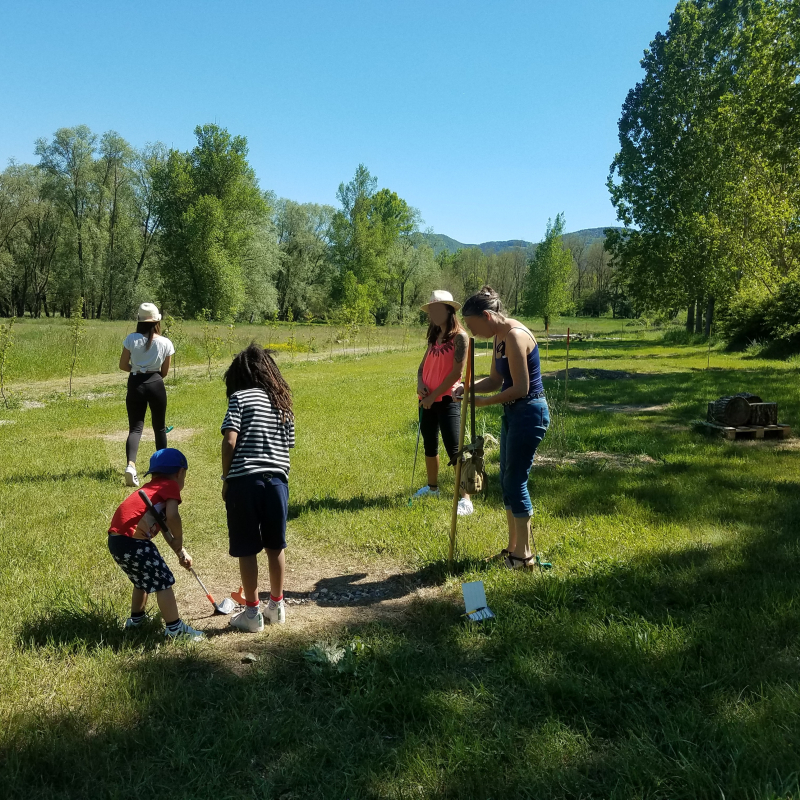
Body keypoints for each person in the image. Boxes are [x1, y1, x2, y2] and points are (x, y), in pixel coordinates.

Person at [457, 286, 550, 569]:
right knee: (507, 481)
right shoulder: (499, 337)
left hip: (529, 412)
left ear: (487, 315)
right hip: (514, 412)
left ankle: (523, 556)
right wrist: (466, 389)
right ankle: (512, 548)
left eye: (473, 326)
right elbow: (496, 380)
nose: (473, 333)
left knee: (515, 481)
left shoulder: (515, 335)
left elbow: (521, 388)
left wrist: (484, 403)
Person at [221, 344, 295, 633]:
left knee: (247, 546)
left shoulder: (239, 398)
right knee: (276, 544)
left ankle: (252, 613)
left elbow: (230, 441)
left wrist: (227, 479)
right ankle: (277, 606)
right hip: (277, 482)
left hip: (244, 482)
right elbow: (288, 445)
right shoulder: (282, 401)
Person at [108, 447, 204, 641]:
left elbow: (165, 527)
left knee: (141, 581)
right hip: (133, 541)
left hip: (117, 541)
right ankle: (175, 629)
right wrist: (180, 539)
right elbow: (172, 517)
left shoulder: (152, 490)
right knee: (163, 580)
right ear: (180, 473)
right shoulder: (169, 486)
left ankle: (136, 621)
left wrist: (180, 551)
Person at [414, 290, 473, 516]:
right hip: (426, 399)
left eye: (438, 309)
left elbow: (455, 373)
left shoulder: (461, 337)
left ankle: (465, 499)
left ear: (449, 310)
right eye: (431, 310)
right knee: (430, 445)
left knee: (455, 448)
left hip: (447, 399)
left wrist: (432, 396)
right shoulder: (433, 336)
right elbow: (422, 367)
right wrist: (421, 384)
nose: (433, 314)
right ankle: (432, 488)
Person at [118, 303, 175, 487]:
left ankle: (131, 466)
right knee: (159, 427)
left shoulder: (131, 339)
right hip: (156, 383)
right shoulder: (166, 342)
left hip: (135, 383)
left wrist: (136, 369)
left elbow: (122, 365)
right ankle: (163, 468)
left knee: (135, 428)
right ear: (157, 320)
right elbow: (164, 372)